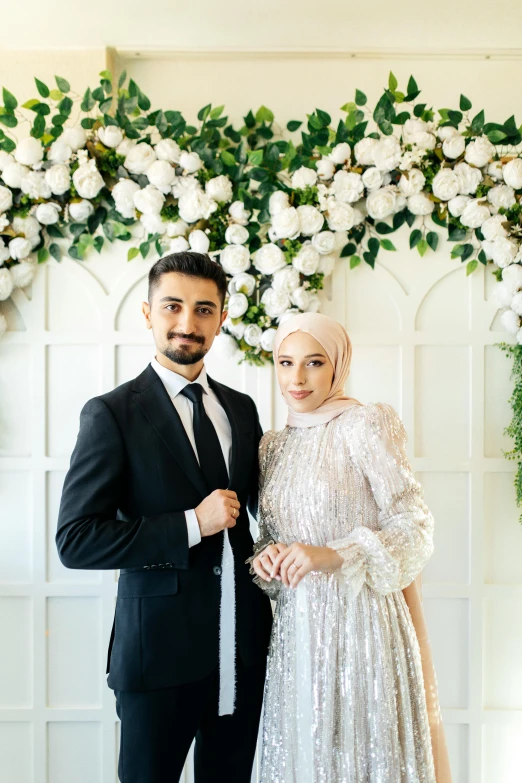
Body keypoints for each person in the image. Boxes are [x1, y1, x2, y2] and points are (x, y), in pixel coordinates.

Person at [56, 251, 273, 783]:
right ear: (148, 313)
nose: (187, 323)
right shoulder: (111, 413)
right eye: (173, 306)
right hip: (157, 660)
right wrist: (190, 524)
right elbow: (76, 540)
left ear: (222, 318)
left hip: (242, 655)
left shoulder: (241, 409)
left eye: (204, 309)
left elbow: (258, 513)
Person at [250, 312, 452, 783]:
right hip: (297, 631)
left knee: (362, 759)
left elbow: (415, 526)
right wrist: (267, 556)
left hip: (363, 626)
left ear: (337, 365)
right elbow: (273, 536)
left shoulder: (365, 424)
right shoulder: (273, 446)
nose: (296, 379)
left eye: (314, 363)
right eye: (285, 362)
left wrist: (335, 554)